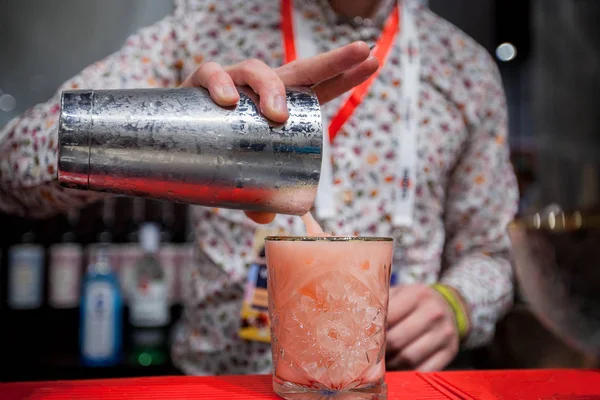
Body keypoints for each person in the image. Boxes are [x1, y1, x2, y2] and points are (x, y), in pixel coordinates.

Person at [0, 0, 518, 374]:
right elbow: (11, 172)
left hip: (385, 382)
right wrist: (166, 130)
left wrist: (456, 304)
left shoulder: (464, 68)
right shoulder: (207, 24)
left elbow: (491, 252)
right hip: (220, 383)